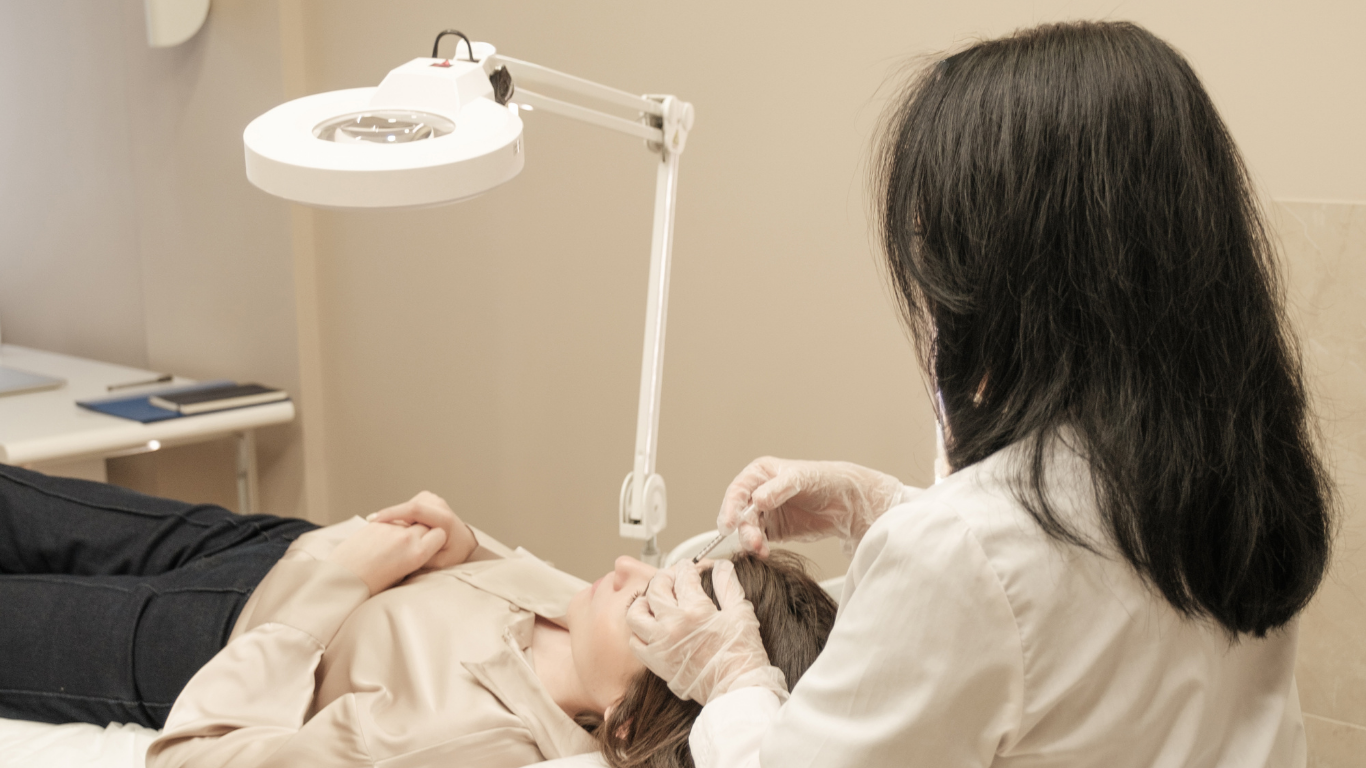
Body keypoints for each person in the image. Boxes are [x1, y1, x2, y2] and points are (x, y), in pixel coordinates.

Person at [627, 20, 1334, 768]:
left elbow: (1005, 587)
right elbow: (1075, 607)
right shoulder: (1231, 481)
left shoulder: (960, 556)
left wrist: (732, 678)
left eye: (940, 259)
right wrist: (883, 506)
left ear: (1013, 282)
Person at [0, 463, 836, 768]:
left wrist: (330, 587)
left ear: (626, 724)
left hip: (209, 638)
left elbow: (195, 762)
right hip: (281, 545)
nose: (625, 566)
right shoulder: (591, 632)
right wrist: (468, 544)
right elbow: (496, 593)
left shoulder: (463, 741)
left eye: (649, 600)